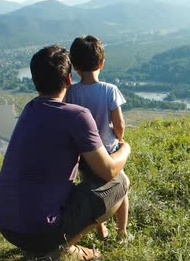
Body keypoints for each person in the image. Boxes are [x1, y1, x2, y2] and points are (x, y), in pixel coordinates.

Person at [0, 45, 130, 260]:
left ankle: (57, 245)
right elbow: (108, 170)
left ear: (35, 81)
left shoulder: (29, 109)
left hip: (5, 224)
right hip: (40, 229)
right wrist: (125, 148)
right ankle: (60, 248)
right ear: (68, 80)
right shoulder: (77, 116)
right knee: (120, 182)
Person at [66, 35, 131, 243]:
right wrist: (120, 139)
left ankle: (101, 230)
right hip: (110, 152)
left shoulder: (71, 93)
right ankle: (122, 233)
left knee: (92, 189)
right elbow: (118, 123)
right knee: (121, 190)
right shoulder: (109, 90)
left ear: (74, 66)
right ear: (101, 63)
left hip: (85, 154)